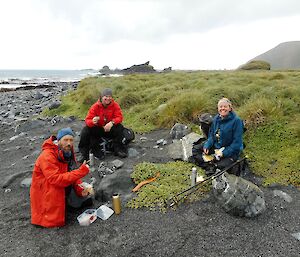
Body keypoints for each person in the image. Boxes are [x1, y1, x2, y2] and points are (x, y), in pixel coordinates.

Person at [30, 127, 91, 228]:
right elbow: (55, 179)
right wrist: (81, 171)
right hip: (47, 190)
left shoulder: (68, 152)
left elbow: (72, 173)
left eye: (71, 140)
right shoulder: (47, 156)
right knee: (54, 219)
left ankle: (66, 203)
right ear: (58, 141)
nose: (69, 143)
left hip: (59, 185)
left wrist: (80, 189)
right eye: (65, 140)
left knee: (86, 200)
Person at [192, 98, 244, 175]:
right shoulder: (216, 118)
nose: (223, 108)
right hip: (216, 147)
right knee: (195, 149)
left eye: (225, 106)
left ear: (230, 108)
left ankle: (211, 164)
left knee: (219, 166)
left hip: (229, 151)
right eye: (220, 107)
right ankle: (210, 163)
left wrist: (224, 153)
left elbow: (237, 144)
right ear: (218, 109)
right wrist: (207, 145)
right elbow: (212, 135)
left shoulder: (237, 121)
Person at [78, 88, 128, 161]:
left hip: (110, 129)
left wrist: (112, 122)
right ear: (101, 97)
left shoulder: (115, 105)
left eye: (110, 96)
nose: (108, 98)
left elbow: (119, 117)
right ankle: (84, 154)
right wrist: (92, 121)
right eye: (106, 96)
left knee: (120, 127)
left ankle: (118, 149)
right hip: (99, 130)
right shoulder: (95, 107)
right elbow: (87, 120)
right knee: (86, 130)